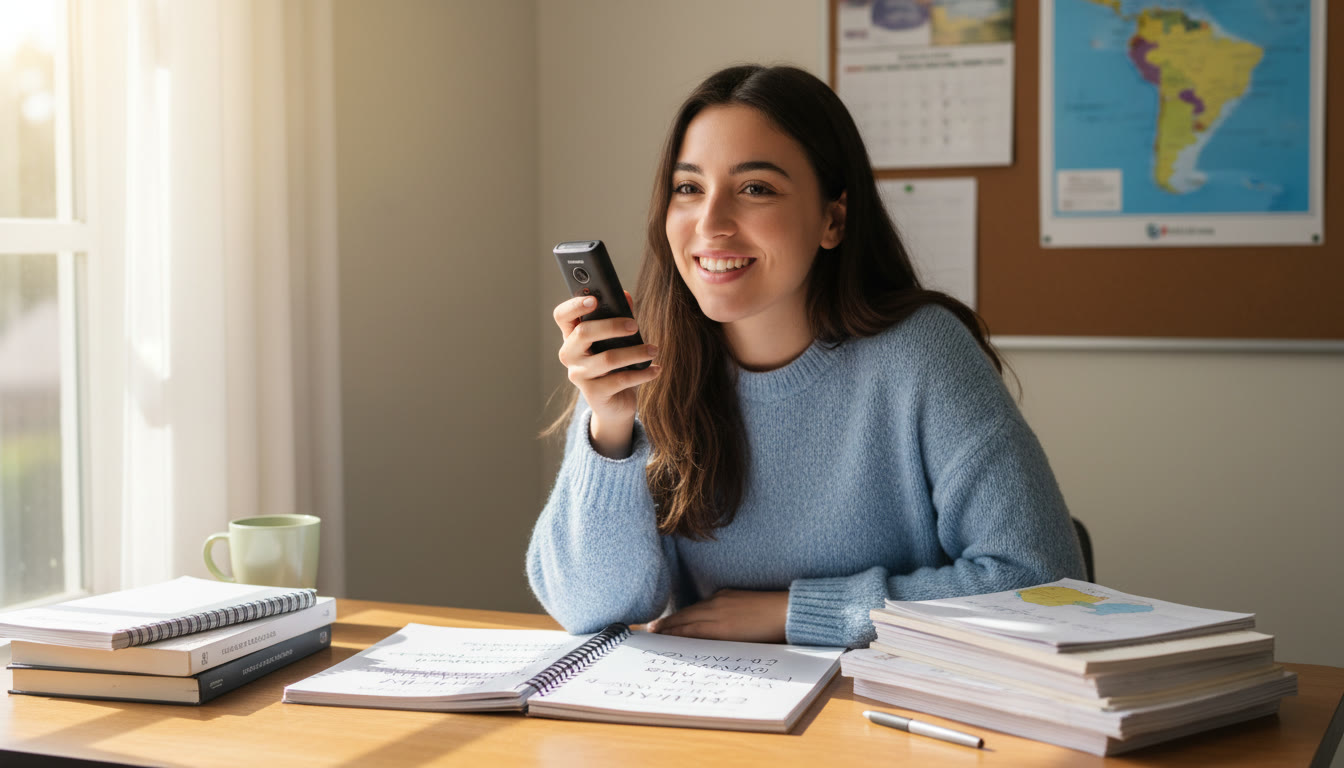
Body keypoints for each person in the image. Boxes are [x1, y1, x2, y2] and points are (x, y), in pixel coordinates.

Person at [528, 64, 1084, 649]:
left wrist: (798, 611)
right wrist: (609, 429)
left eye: (755, 189)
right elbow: (591, 610)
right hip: (716, 717)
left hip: (884, 716)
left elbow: (1042, 582)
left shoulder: (922, 355)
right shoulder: (650, 364)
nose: (710, 224)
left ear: (832, 219)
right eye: (688, 188)